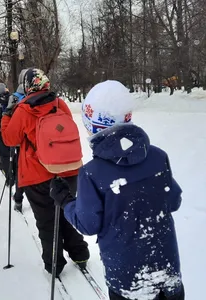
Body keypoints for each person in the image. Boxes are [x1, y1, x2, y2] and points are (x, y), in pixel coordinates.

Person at [50, 80, 185, 300]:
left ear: (93, 125)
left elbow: (87, 223)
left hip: (128, 281)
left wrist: (65, 199)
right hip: (168, 273)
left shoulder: (92, 173)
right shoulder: (158, 157)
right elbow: (174, 200)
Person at [1, 68, 89, 276]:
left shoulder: (23, 109)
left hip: (37, 174)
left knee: (47, 221)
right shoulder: (60, 104)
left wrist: (7, 115)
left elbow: (10, 139)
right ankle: (80, 253)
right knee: (66, 212)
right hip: (68, 170)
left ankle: (54, 264)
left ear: (28, 85)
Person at [11, 83, 26, 213]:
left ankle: (18, 199)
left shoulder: (15, 103)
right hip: (35, 144)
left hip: (20, 144)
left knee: (20, 171)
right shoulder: (34, 101)